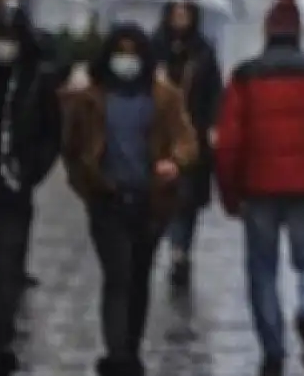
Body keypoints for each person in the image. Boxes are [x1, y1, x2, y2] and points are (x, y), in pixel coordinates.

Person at [215, 0, 304, 376]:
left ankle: (273, 349)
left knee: (262, 270)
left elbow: (228, 143)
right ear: (298, 33)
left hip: (258, 189)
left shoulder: (245, 77)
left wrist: (229, 193)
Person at [60, 23, 198, 376]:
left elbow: (186, 139)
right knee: (117, 274)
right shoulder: (92, 97)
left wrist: (175, 162)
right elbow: (73, 147)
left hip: (150, 202)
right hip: (107, 200)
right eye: (120, 52)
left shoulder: (163, 97)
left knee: (138, 277)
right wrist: (87, 185)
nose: (127, 60)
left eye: (133, 53)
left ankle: (130, 348)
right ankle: (117, 353)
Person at [0, 0, 62, 376]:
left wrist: (29, 171)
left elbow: (51, 132)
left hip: (11, 190)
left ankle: (0, 341)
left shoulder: (35, 79)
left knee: (4, 266)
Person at [153, 2, 223, 290]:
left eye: (186, 13)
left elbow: (215, 92)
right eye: (176, 13)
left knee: (187, 199)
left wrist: (213, 126)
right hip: (159, 135)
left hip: (193, 134)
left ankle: (180, 250)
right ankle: (174, 246)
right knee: (165, 195)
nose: (180, 18)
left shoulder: (203, 51)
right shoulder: (155, 48)